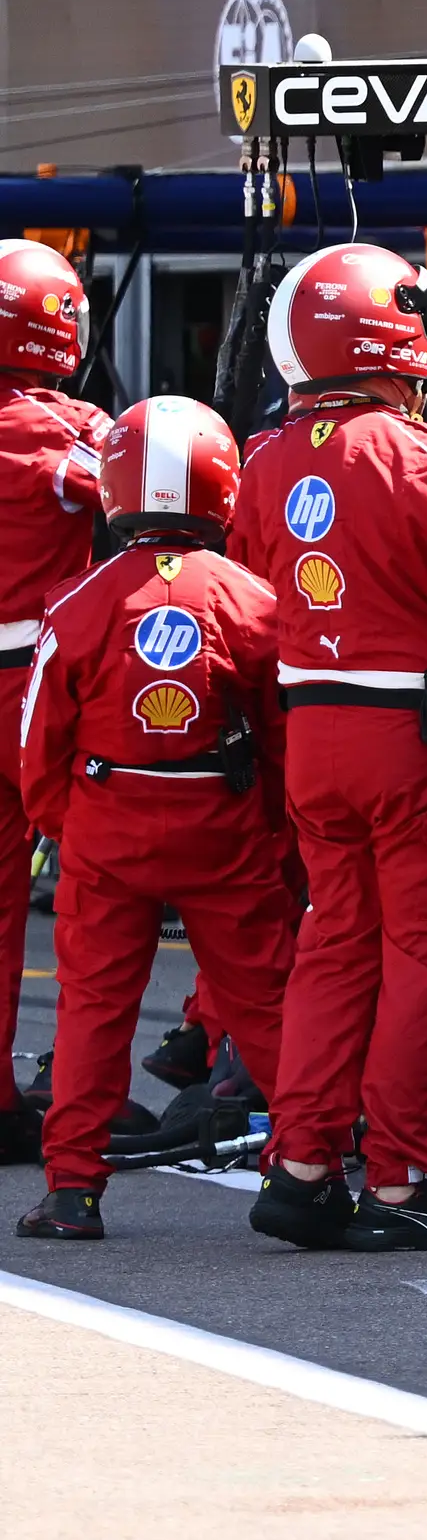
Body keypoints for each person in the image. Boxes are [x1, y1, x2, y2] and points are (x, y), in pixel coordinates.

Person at [230, 243, 427, 1251]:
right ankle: (402, 1177)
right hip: (424, 739)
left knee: (333, 944)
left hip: (314, 731)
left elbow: (255, 583)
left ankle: (304, 1161)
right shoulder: (425, 457)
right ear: (386, 333)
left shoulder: (264, 459)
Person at [12, 401, 291, 1240]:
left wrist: (70, 824)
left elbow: (39, 744)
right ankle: (305, 1162)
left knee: (94, 1007)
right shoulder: (253, 599)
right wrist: (271, 828)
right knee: (267, 1002)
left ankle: (72, 1191)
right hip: (225, 826)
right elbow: (282, 733)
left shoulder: (77, 604)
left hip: (107, 828)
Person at [0, 240, 107, 1165]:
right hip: (43, 692)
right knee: (101, 897)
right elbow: (167, 490)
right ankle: (84, 1099)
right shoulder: (57, 429)